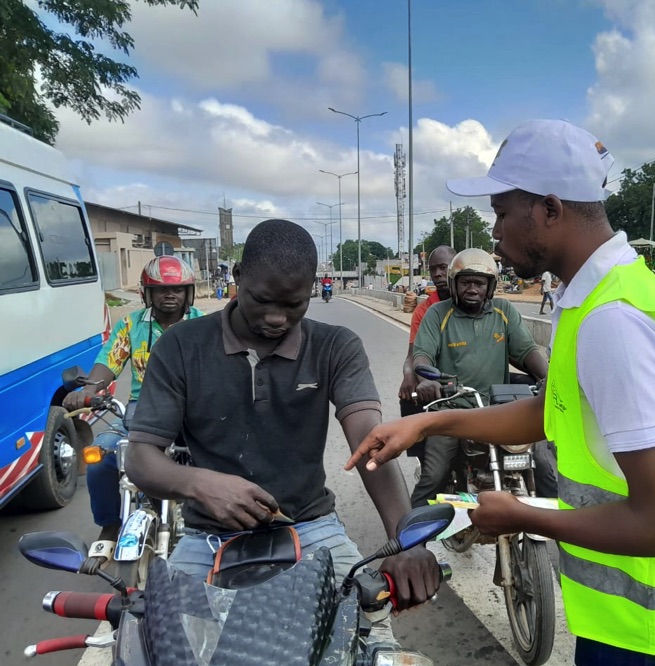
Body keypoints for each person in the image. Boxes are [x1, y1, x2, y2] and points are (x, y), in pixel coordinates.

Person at [346, 120, 655, 666]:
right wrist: (426, 426)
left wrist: (524, 515)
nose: (493, 233)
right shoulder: (602, 290)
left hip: (652, 624)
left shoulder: (611, 320)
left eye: (499, 212)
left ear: (548, 209)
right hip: (639, 613)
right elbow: (552, 412)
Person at [125, 220, 441, 620]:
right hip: (207, 539)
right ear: (238, 277)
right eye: (262, 300)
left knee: (369, 638)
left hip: (310, 527)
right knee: (162, 643)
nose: (277, 319)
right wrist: (200, 484)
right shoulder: (181, 346)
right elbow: (140, 458)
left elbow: (370, 441)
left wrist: (405, 540)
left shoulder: (335, 346)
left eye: (293, 305)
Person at [62, 255, 202, 570]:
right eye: (162, 289)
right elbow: (109, 361)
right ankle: (110, 526)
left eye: (178, 289)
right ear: (147, 293)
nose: (171, 295)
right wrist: (88, 390)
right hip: (142, 409)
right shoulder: (131, 325)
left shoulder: (203, 324)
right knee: (101, 456)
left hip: (193, 409)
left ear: (188, 293)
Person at [409, 247, 553, 505]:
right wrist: (426, 379)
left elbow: (527, 351)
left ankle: (562, 529)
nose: (472, 288)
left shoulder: (504, 311)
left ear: (490, 286)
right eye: (465, 282)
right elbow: (422, 356)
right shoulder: (437, 314)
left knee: (543, 465)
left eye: (479, 283)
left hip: (501, 410)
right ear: (454, 284)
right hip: (453, 409)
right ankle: (408, 538)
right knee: (434, 475)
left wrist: (550, 379)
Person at [397, 246, 456, 458]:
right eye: (433, 270)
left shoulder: (487, 305)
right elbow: (413, 354)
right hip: (439, 380)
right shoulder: (425, 310)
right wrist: (409, 374)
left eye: (443, 267)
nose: (438, 274)